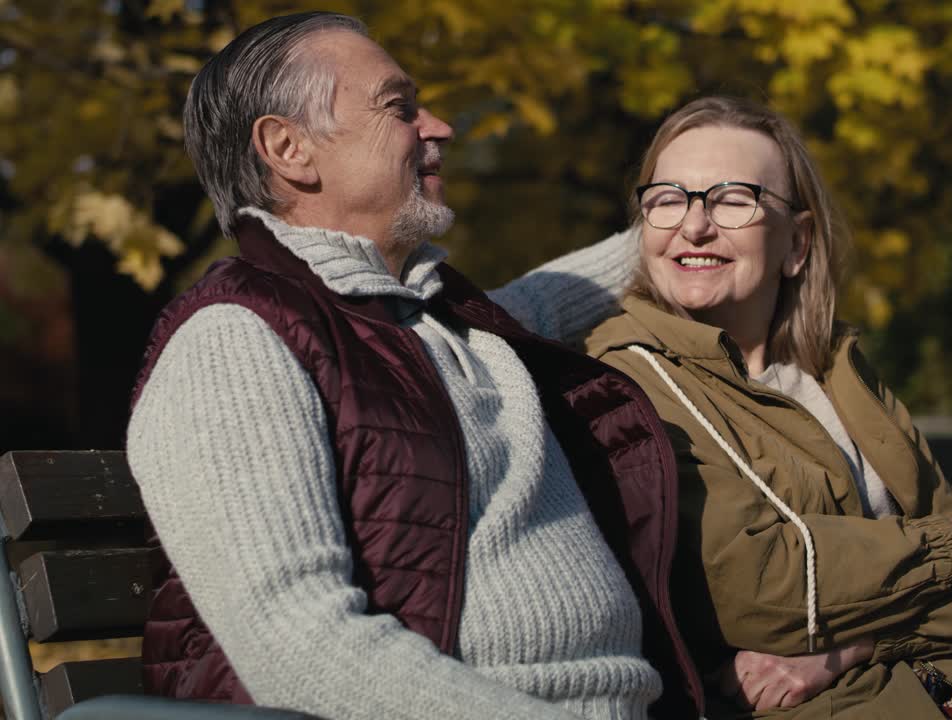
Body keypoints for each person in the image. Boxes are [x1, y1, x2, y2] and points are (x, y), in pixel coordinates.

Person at [126, 12, 704, 720]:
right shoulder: (234, 344)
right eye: (399, 107)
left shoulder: (441, 323)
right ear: (289, 148)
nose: (441, 128)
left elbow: (558, 292)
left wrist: (697, 214)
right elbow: (301, 649)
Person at [585, 96, 952, 719]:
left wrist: (850, 647)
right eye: (667, 199)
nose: (694, 226)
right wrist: (949, 553)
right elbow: (756, 590)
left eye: (732, 199)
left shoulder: (839, 370)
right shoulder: (625, 382)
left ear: (797, 242)